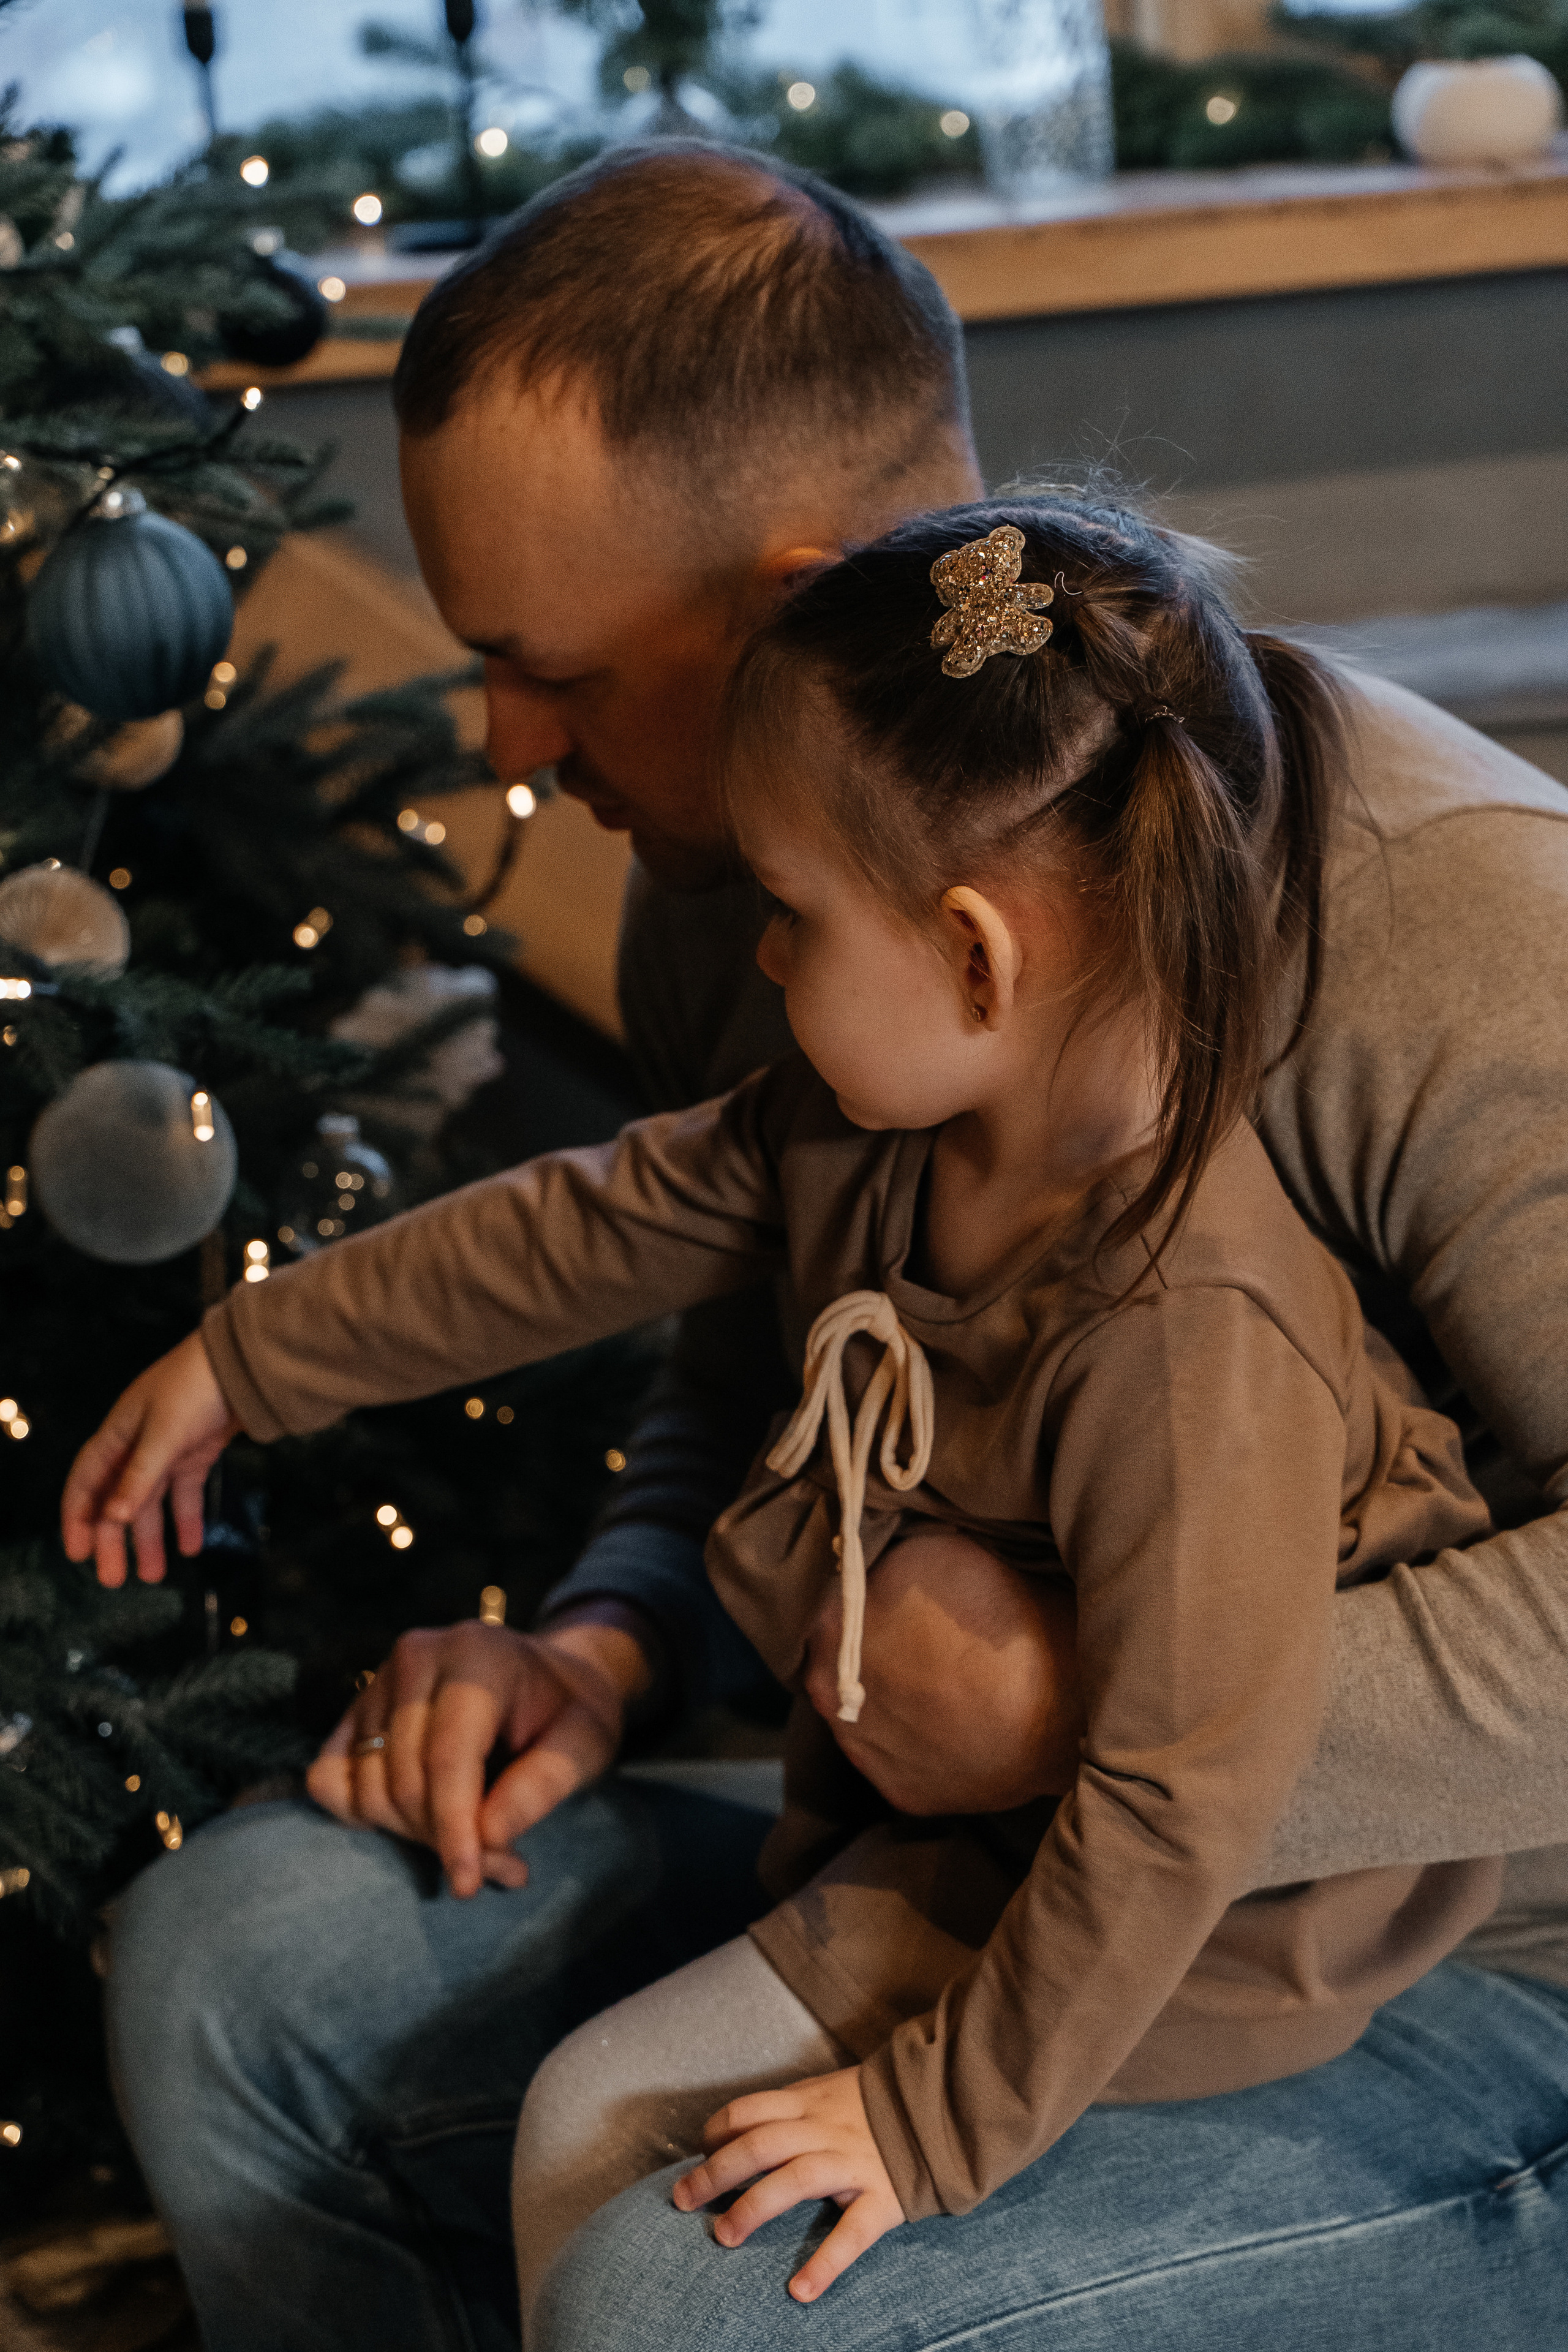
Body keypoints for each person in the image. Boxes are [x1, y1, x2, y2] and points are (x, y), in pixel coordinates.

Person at [70, 146, 1568, 2351]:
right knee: (242, 1974)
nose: (503, 746)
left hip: (1429, 1965)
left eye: (544, 666)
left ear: (805, 600)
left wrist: (1083, 1710)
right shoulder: (770, 906)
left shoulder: (1459, 935)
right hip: (931, 1855)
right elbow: (752, 1340)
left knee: (706, 2296)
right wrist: (605, 1643)